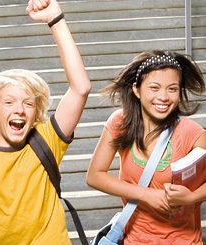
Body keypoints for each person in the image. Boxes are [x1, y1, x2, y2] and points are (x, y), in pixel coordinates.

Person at [0, 0, 91, 244]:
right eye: (9, 102)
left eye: (28, 104)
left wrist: (55, 19)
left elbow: (81, 88)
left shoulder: (46, 139)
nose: (19, 109)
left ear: (36, 112)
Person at [86, 50, 206, 244]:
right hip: (135, 240)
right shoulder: (120, 123)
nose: (164, 97)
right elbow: (94, 176)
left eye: (172, 89)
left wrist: (190, 198)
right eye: (154, 88)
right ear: (137, 89)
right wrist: (146, 194)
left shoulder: (191, 132)